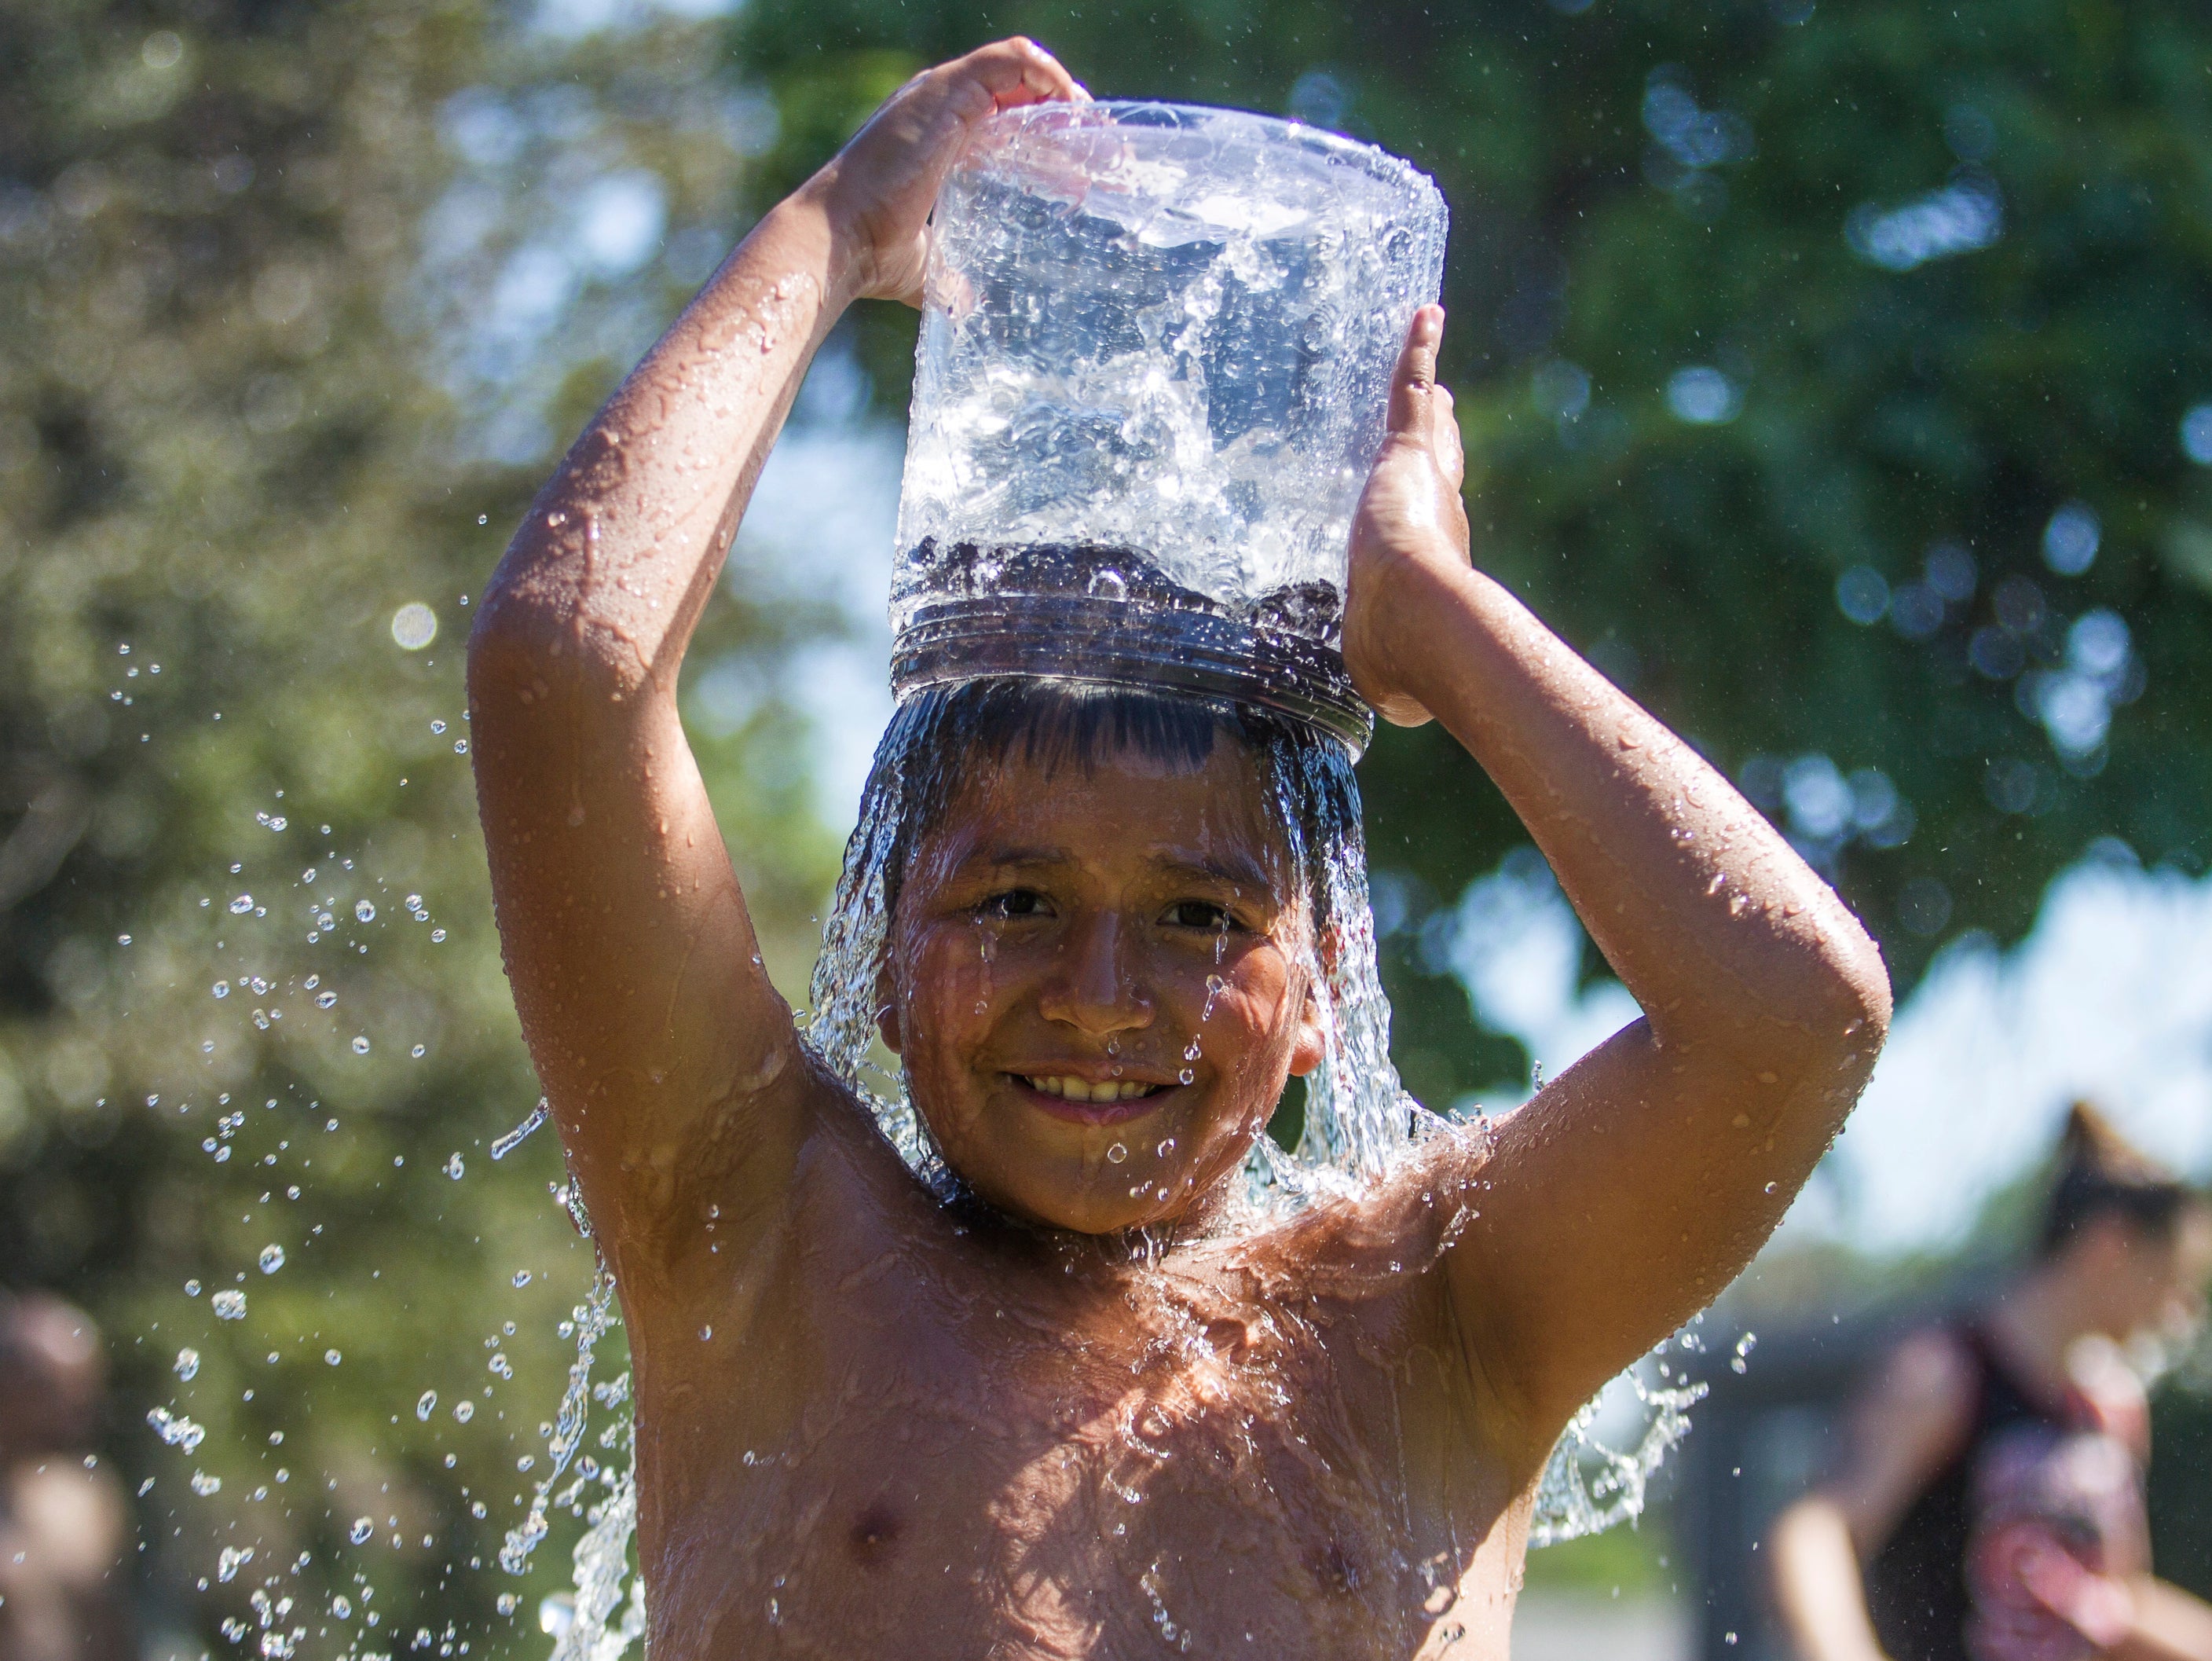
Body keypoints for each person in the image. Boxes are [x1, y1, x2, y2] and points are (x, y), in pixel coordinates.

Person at [467, 38, 1891, 1658]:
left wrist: (1429, 612)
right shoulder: (762, 1241)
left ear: (1319, 985)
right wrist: (838, 230)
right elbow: (563, 673)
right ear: (883, 933)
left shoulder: (1441, 1319)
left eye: (1204, 919)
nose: (1097, 992)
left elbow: (1797, 1013)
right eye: (1013, 898)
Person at [1771, 1103, 2212, 1661]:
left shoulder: (2113, 1408)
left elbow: (2115, 1603)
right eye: (2174, 1281)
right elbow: (1818, 1531)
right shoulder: (1948, 1374)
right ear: (2109, 1247)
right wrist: (1840, 1649)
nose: (2181, 1312)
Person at [0, 1292, 131, 1661]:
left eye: (85, 1396)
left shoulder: (87, 1498)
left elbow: (112, 1632)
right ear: (9, 1386)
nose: (76, 1417)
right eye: (57, 1395)